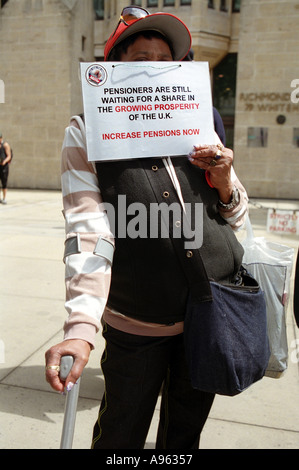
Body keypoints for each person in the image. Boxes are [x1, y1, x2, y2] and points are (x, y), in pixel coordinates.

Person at [45, 7, 248, 449]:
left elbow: (235, 218)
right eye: (140, 60)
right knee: (120, 433)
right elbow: (87, 230)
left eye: (164, 60)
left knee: (184, 437)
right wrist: (80, 328)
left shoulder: (202, 123)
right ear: (113, 67)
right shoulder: (86, 133)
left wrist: (226, 182)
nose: (154, 70)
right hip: (137, 325)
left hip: (210, 314)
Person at [0, 132, 12, 204]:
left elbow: (9, 156)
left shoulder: (5, 145)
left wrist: (4, 161)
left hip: (4, 167)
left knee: (4, 182)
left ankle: (4, 198)